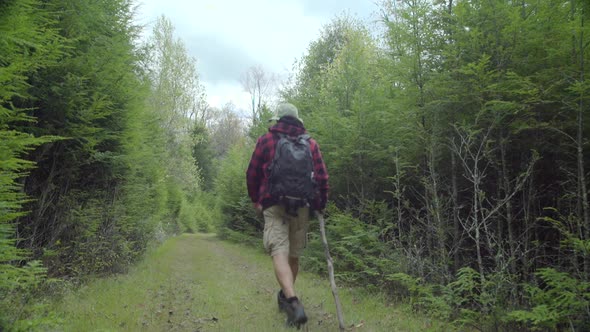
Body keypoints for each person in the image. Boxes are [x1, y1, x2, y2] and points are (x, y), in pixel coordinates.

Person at [246, 102, 329, 327]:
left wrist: (256, 199)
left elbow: (252, 173)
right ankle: (287, 296)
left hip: (274, 203)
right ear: (298, 121)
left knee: (278, 251)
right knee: (293, 254)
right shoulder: (311, 144)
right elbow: (322, 178)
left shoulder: (266, 140)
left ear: (278, 119)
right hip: (302, 205)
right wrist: (320, 204)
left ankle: (292, 301)